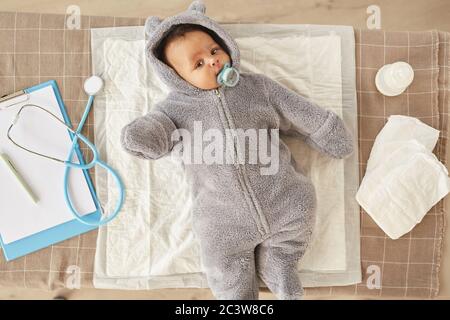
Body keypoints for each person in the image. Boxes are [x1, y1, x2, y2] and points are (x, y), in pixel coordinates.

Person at [121, 0, 354, 300]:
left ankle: (280, 263)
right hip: (222, 218)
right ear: (176, 78)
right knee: (222, 263)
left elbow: (296, 110)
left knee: (301, 209)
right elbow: (158, 131)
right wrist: (144, 134)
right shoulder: (174, 110)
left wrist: (325, 128)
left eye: (214, 50)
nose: (213, 61)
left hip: (282, 196)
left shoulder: (258, 89)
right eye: (198, 64)